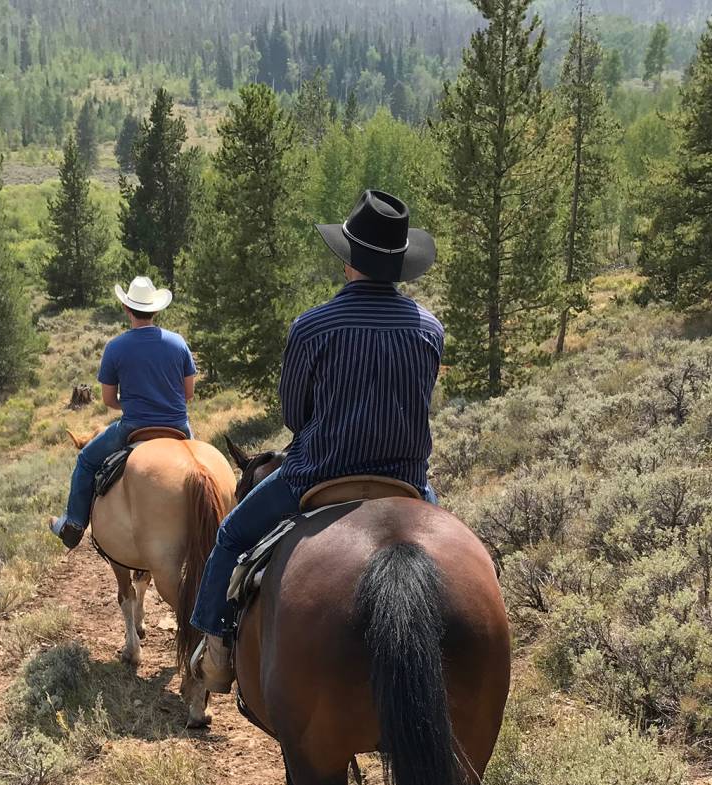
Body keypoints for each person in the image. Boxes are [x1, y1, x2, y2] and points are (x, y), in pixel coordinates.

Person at [189, 189, 443, 691]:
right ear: (400, 267)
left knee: (232, 538)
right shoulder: (428, 329)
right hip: (407, 482)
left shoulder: (312, 326)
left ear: (349, 261)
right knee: (468, 556)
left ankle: (217, 653)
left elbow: (295, 414)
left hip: (317, 475)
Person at [50, 276, 197, 549]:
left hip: (133, 427)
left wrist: (131, 403)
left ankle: (73, 525)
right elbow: (188, 394)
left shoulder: (115, 347)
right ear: (156, 310)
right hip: (179, 427)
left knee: (85, 461)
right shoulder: (178, 343)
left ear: (127, 309)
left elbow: (108, 399)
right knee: (203, 467)